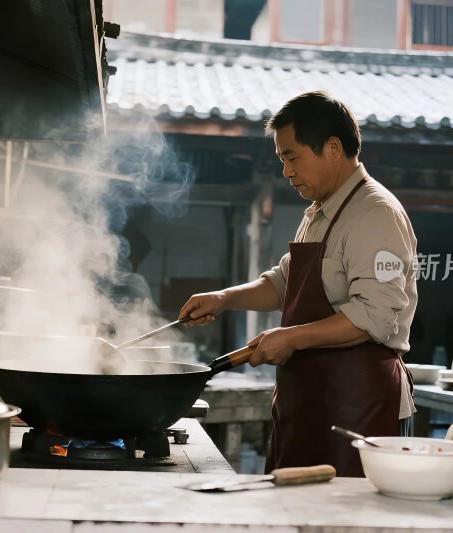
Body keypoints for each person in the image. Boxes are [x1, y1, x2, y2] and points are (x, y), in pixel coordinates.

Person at [178, 91, 417, 477]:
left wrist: (289, 338)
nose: (286, 171)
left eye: (292, 157)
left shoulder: (375, 214)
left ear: (333, 148)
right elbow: (285, 282)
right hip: (309, 398)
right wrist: (223, 298)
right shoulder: (321, 210)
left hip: (359, 403)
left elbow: (374, 317)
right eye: (282, 160)